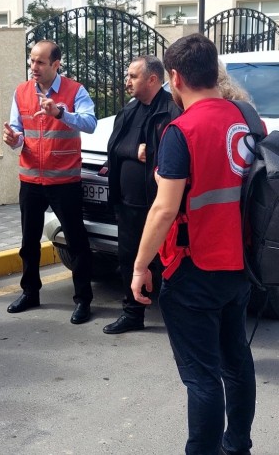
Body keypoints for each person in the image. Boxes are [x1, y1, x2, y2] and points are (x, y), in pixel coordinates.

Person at [130, 33, 256, 455]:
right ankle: (238, 445)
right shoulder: (246, 119)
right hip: (241, 266)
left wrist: (139, 266)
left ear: (175, 77)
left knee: (202, 377)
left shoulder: (180, 131)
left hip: (195, 266)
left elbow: (164, 210)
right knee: (236, 363)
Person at [3, 40, 96, 324]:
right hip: (31, 179)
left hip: (64, 179)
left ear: (56, 64)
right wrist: (13, 139)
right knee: (28, 242)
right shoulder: (21, 92)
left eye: (40, 62)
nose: (34, 67)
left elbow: (90, 123)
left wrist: (60, 113)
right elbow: (18, 132)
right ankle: (30, 292)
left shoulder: (74, 90)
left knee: (76, 242)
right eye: (32, 61)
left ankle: (83, 300)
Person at [102, 55, 182, 335]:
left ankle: (177, 319)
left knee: (167, 262)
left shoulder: (171, 111)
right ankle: (132, 313)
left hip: (160, 205)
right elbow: (116, 147)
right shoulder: (129, 110)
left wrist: (142, 155)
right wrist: (128, 154)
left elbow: (173, 155)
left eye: (133, 76)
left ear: (152, 79)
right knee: (128, 258)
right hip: (127, 203)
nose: (127, 82)